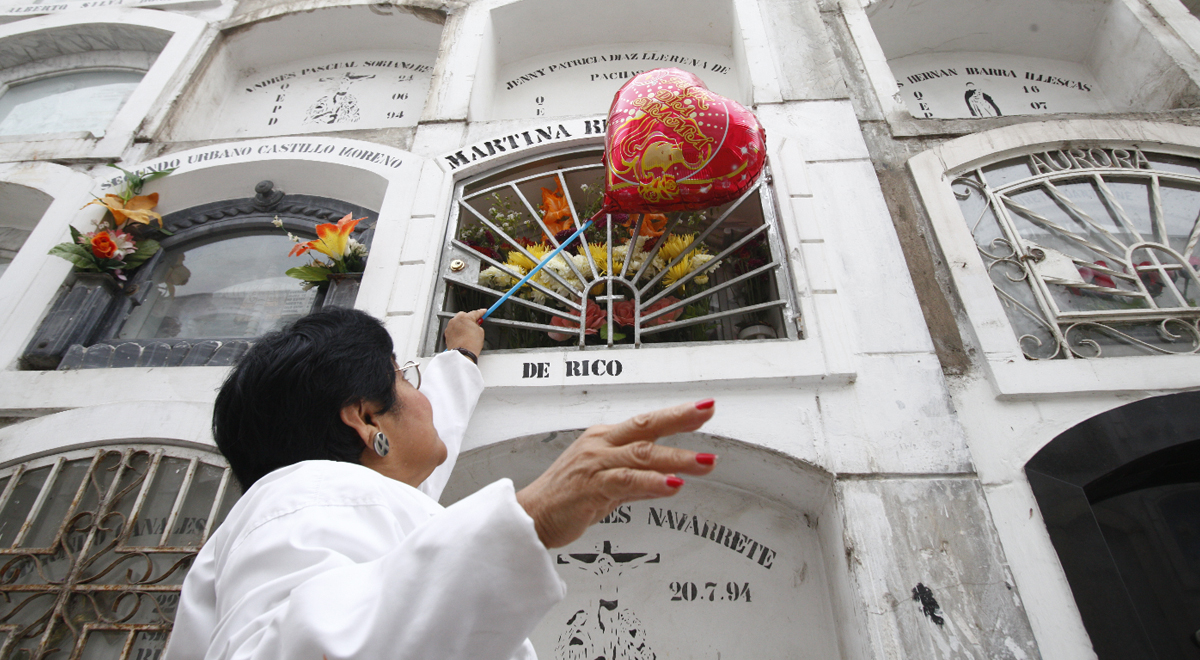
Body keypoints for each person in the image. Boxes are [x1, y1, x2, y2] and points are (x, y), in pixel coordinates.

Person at [164, 307, 716, 660]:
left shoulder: (347, 495)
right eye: (404, 377)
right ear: (366, 419)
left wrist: (459, 357)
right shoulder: (302, 501)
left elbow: (415, 473)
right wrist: (530, 518)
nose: (421, 395)